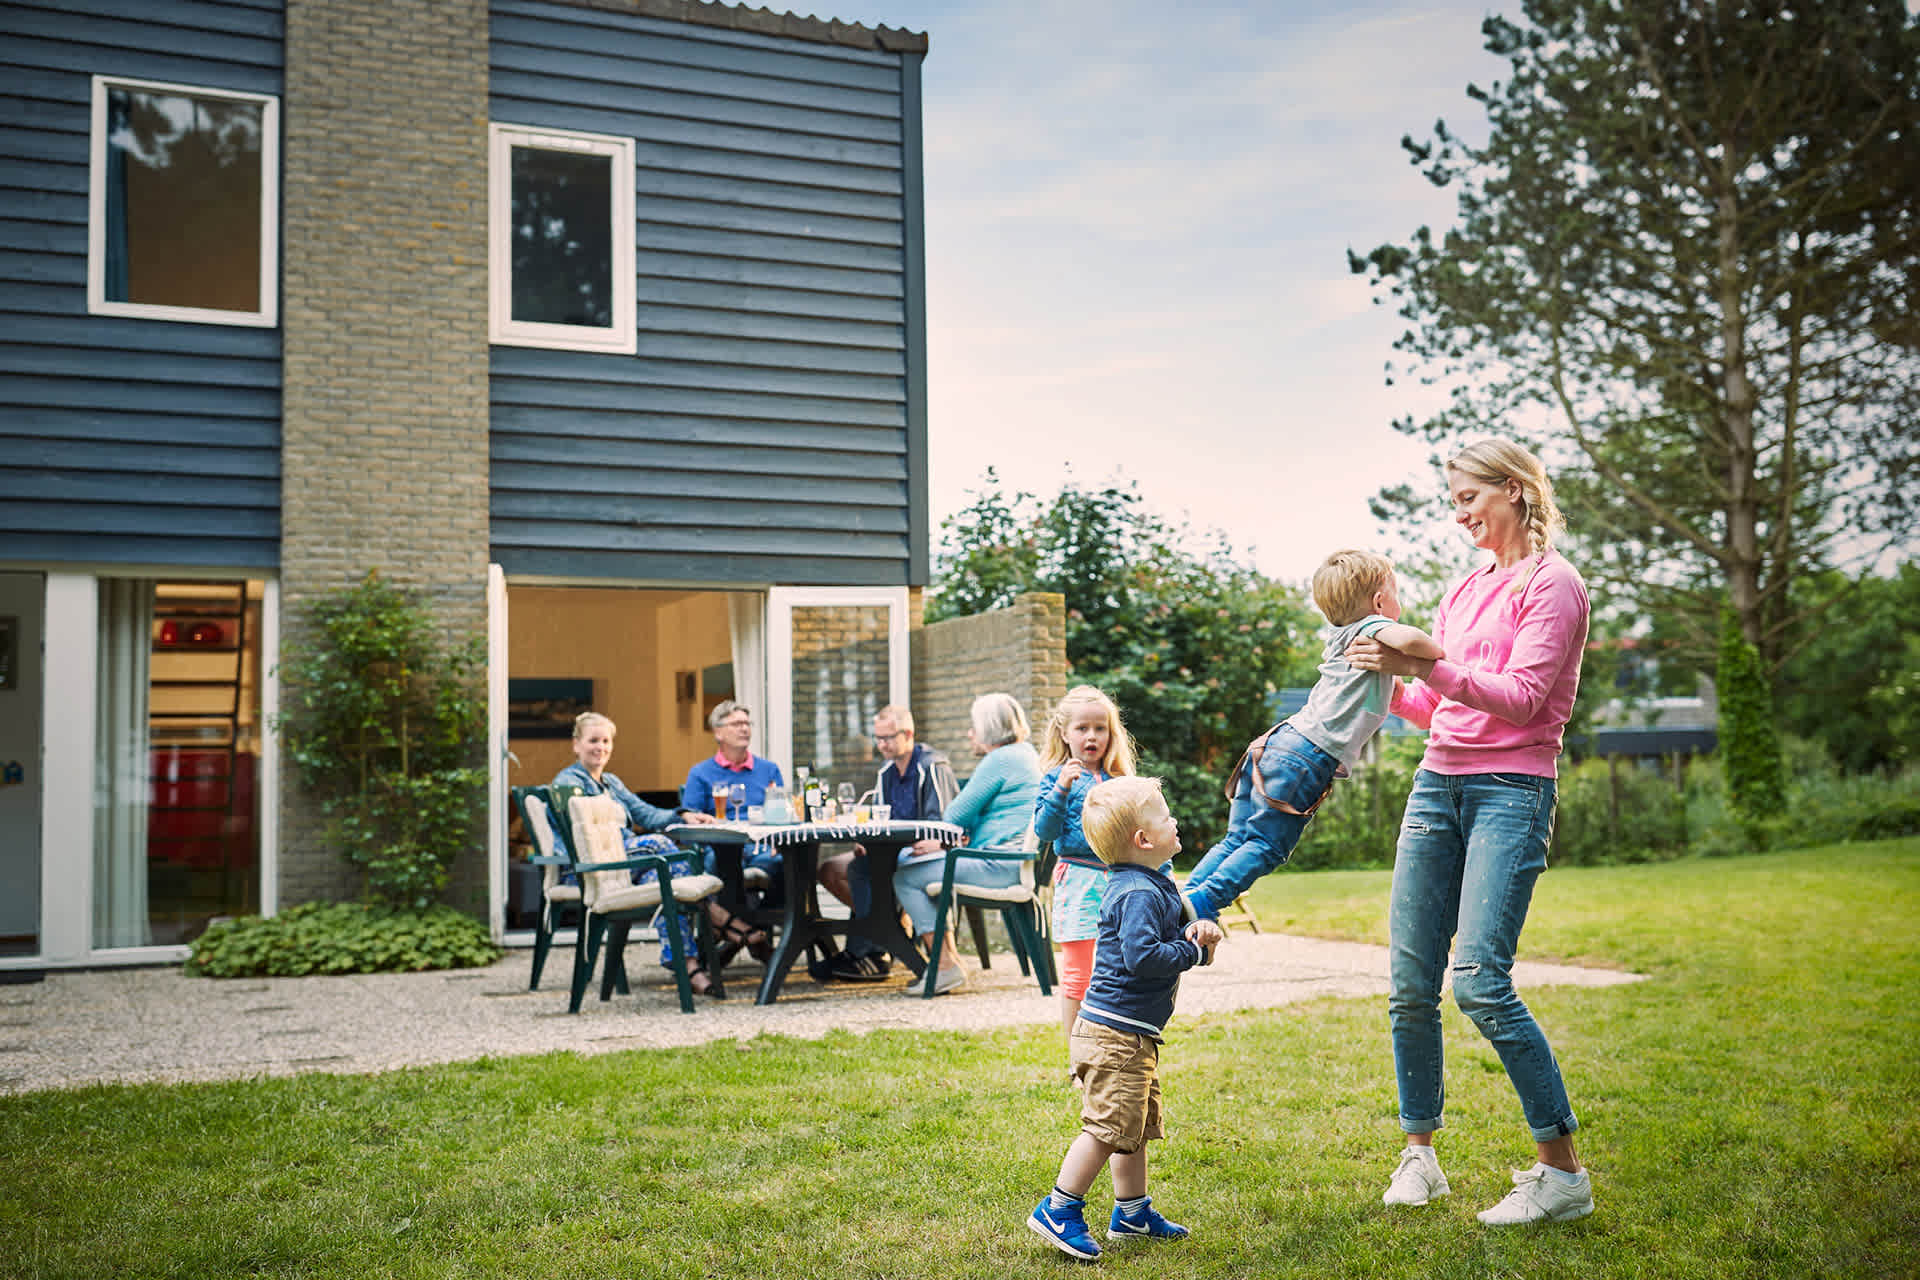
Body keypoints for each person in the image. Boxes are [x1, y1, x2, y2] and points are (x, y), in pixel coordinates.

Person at [1345, 437, 1594, 1226]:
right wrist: (1380, 684)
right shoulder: (1464, 591)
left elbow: (1520, 698)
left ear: (1516, 490)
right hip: (1436, 786)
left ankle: (1562, 1176)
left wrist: (1426, 666)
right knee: (1410, 987)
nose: (1460, 515)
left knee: (1480, 980)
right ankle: (1420, 1156)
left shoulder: (1554, 585)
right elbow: (1442, 704)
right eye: (1452, 501)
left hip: (1512, 789)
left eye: (1469, 497)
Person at [1182, 550, 1441, 921]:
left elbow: (1389, 692)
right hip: (1306, 754)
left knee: (1238, 840)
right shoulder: (1369, 627)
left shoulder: (1342, 637)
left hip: (1278, 743)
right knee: (1268, 845)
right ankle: (1204, 903)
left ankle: (1183, 900)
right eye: (1396, 591)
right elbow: (1418, 643)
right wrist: (1438, 656)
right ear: (1380, 601)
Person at [1026, 776, 1223, 1261]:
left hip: (1130, 1034)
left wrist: (1194, 930)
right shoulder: (1137, 890)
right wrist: (1192, 951)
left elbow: (1166, 937)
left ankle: (1132, 1213)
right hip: (1115, 1036)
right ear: (1143, 840)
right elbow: (1142, 956)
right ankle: (1059, 1207)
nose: (1174, 819)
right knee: (1107, 1126)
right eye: (1164, 815)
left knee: (1131, 1124)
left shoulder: (1150, 882)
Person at [551, 712, 753, 997]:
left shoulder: (610, 782)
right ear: (576, 744)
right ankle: (722, 919)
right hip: (587, 870)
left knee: (670, 876)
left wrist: (685, 814)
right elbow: (586, 839)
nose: (600, 747)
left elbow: (647, 813)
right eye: (593, 740)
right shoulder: (568, 784)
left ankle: (688, 965)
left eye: (606, 741)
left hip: (623, 865)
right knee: (662, 847)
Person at [896, 692, 1043, 997]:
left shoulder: (1000, 759)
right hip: (1014, 862)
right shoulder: (1025, 753)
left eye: (973, 727)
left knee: (906, 875)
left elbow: (955, 813)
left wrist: (948, 840)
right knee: (923, 869)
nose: (969, 734)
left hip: (999, 866)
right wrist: (956, 839)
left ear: (989, 729)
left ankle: (946, 965)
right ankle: (947, 962)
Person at [816, 704, 959, 982]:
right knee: (832, 869)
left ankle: (867, 951)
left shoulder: (932, 766)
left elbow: (946, 820)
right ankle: (887, 937)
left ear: (908, 733)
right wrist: (866, 839)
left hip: (923, 852)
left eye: (888, 738)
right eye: (878, 739)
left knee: (862, 871)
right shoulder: (886, 772)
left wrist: (940, 842)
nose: (882, 745)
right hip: (892, 850)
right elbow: (881, 818)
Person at [1033, 684, 1136, 1035]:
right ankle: (1078, 1058)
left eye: (1100, 728)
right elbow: (1045, 831)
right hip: (1077, 882)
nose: (1092, 736)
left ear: (1111, 732)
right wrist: (1062, 788)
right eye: (1082, 728)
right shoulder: (1054, 779)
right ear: (1064, 733)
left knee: (1117, 969)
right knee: (1078, 973)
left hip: (1118, 883)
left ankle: (1108, 1043)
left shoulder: (1119, 781)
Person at [676, 701, 783, 966]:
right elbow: (690, 819)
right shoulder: (701, 773)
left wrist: (779, 840)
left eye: (747, 724)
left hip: (760, 849)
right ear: (718, 732)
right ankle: (753, 938)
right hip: (719, 849)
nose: (744, 729)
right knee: (718, 866)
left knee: (788, 865)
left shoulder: (769, 770)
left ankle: (746, 930)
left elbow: (782, 811)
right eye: (737, 724)